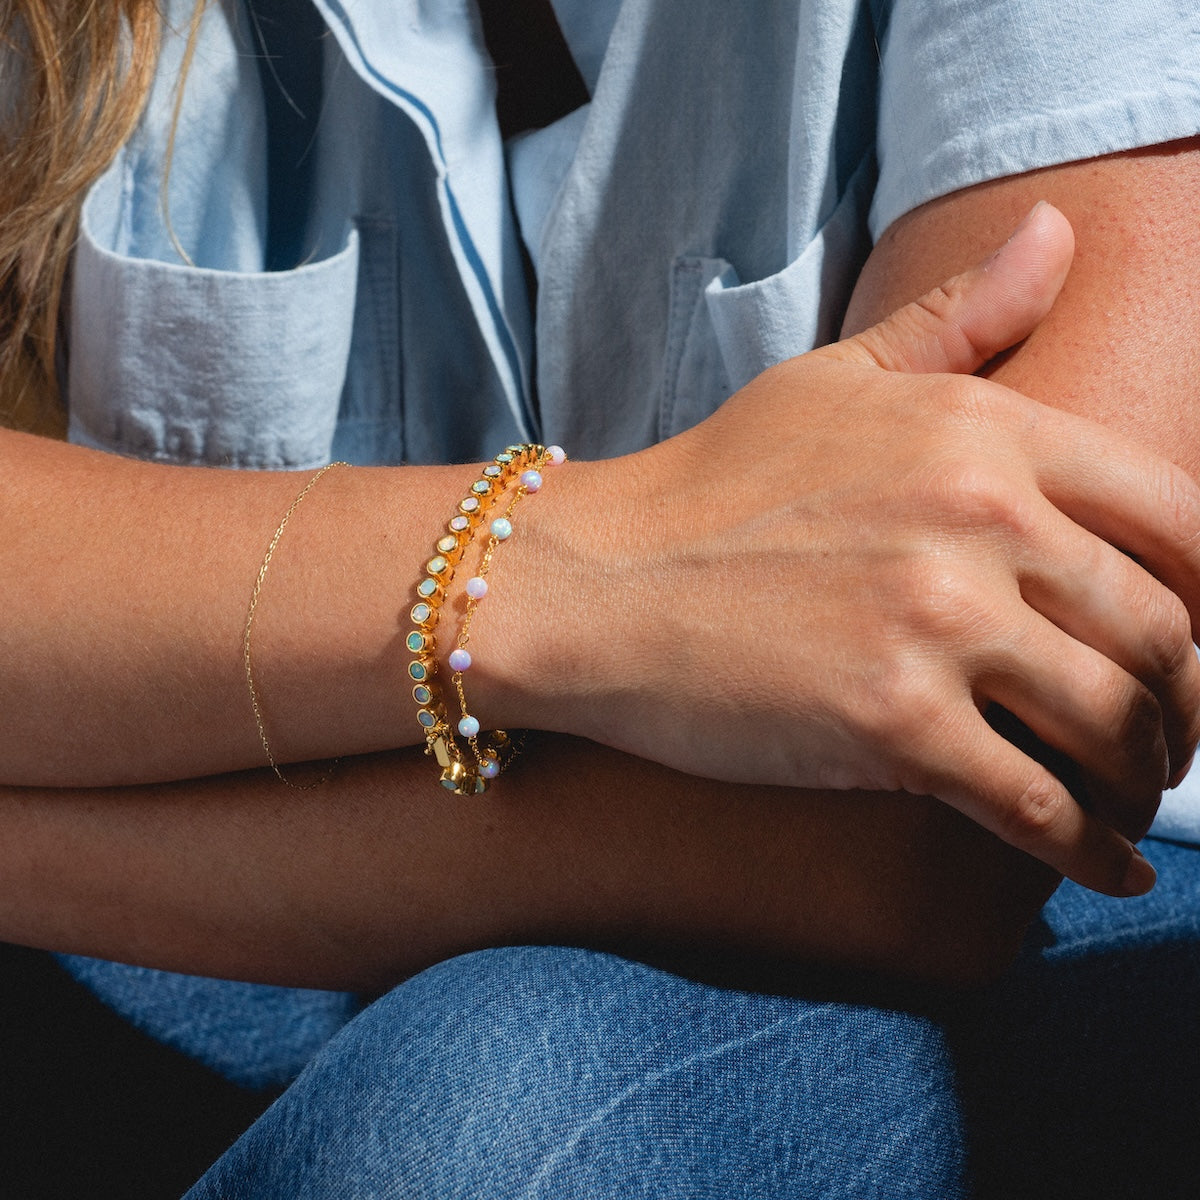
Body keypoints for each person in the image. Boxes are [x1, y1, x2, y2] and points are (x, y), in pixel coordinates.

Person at [1, 0, 1199, 1194]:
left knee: (482, 1137)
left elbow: (947, 823)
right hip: (265, 828)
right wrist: (573, 571)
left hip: (1092, 891)